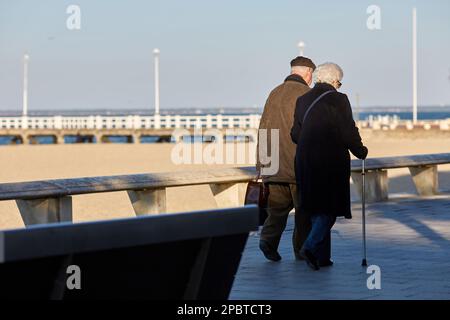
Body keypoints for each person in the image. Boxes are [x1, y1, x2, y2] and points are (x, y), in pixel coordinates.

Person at [290, 62, 368, 270]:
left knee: (315, 207)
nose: (339, 86)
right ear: (334, 81)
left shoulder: (302, 99)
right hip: (330, 162)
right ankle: (310, 247)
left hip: (305, 161)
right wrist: (360, 150)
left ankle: (321, 257)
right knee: (329, 209)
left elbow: (295, 134)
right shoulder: (339, 99)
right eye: (339, 83)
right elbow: (348, 130)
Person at [257, 56, 316, 262]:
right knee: (304, 213)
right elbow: (310, 132)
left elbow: (263, 129)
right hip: (298, 167)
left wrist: (262, 164)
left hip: (273, 165)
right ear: (308, 73)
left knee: (277, 210)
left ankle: (268, 240)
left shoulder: (274, 93)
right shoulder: (306, 94)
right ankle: (301, 250)